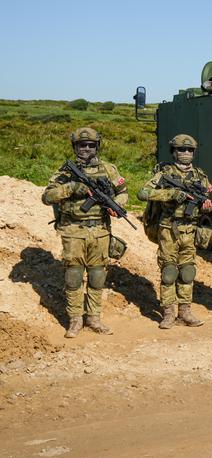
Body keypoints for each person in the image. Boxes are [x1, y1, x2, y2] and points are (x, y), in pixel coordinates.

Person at [41, 127, 128, 338]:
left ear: (96, 146)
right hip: (73, 231)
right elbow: (47, 197)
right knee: (74, 276)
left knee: (98, 275)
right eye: (82, 145)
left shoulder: (108, 169)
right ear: (75, 146)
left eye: (90, 145)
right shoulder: (65, 173)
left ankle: (94, 318)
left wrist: (115, 205)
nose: (86, 149)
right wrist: (71, 188)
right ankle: (75, 320)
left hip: (100, 230)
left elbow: (123, 193)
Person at [137, 134, 212, 329]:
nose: (185, 153)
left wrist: (206, 206)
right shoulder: (164, 173)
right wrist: (171, 194)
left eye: (189, 150)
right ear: (174, 152)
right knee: (169, 271)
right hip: (168, 229)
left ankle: (185, 312)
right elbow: (143, 193)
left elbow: (205, 200)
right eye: (181, 149)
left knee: (187, 272)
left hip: (191, 229)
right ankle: (169, 313)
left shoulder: (200, 176)